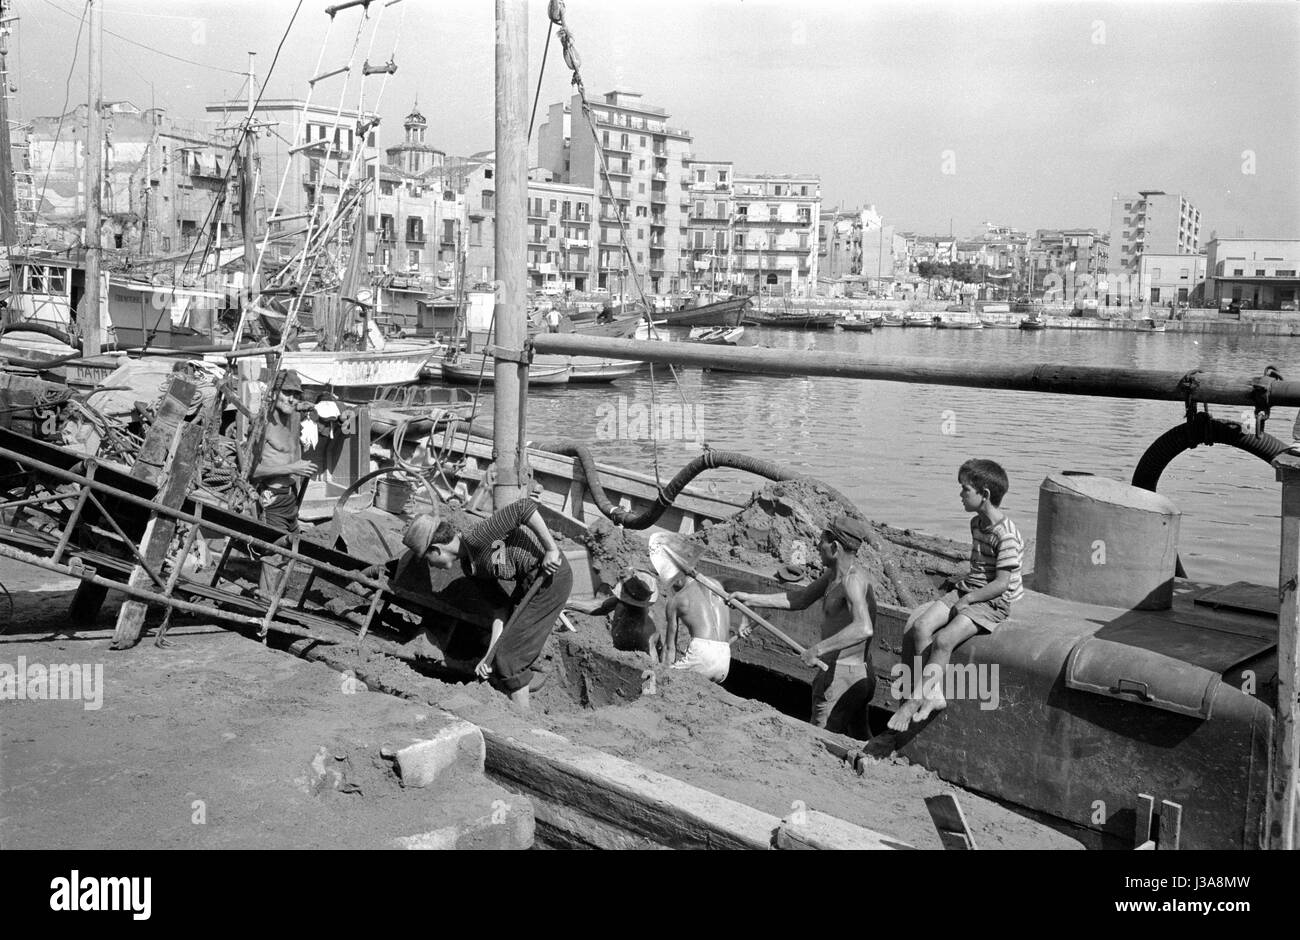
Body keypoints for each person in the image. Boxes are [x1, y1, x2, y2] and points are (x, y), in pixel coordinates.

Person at [887, 459, 1023, 731]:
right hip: (970, 587)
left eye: (965, 490)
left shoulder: (1007, 535)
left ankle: (914, 701)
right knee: (921, 626)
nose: (961, 495)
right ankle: (933, 693)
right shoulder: (976, 523)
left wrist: (969, 600)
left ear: (984, 495)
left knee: (945, 641)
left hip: (994, 599)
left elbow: (1001, 583)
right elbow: (978, 569)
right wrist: (963, 593)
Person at [406, 498, 571, 709]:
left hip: (550, 578)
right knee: (501, 655)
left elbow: (523, 507)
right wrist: (488, 657)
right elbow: (500, 610)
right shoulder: (471, 567)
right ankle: (514, 701)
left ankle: (524, 721)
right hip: (529, 583)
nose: (433, 566)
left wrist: (551, 548)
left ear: (436, 549)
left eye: (429, 560)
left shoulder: (476, 538)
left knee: (512, 658)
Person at [731, 516, 876, 737]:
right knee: (860, 735)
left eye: (822, 541)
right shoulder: (833, 576)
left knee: (819, 739)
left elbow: (863, 628)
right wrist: (750, 598)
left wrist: (817, 650)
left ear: (835, 547)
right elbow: (800, 599)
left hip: (841, 677)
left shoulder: (852, 582)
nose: (817, 547)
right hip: (857, 675)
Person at [249, 370, 316, 597]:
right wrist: (292, 468)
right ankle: (263, 603)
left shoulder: (292, 420)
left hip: (289, 499)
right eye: (286, 393)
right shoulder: (262, 424)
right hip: (271, 498)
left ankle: (274, 597)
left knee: (290, 551)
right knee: (274, 550)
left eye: (296, 394)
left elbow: (308, 409)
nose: (292, 399)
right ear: (275, 393)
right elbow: (251, 471)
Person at [660, 543, 746, 683]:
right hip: (724, 659)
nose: (671, 585)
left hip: (701, 656)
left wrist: (663, 672)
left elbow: (670, 648)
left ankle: (650, 697)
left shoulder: (677, 600)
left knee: (658, 677)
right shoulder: (717, 586)